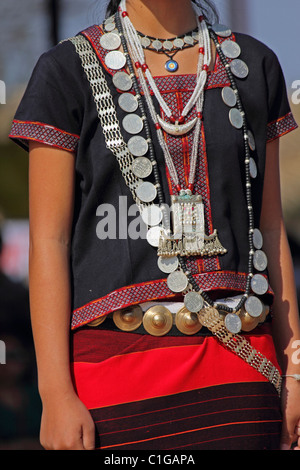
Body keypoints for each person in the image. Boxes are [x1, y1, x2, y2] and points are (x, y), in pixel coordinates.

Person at [9, 0, 300, 450]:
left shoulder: (253, 64)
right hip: (114, 379)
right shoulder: (65, 71)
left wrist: (296, 370)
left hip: (242, 379)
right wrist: (55, 393)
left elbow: (271, 227)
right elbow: (49, 240)